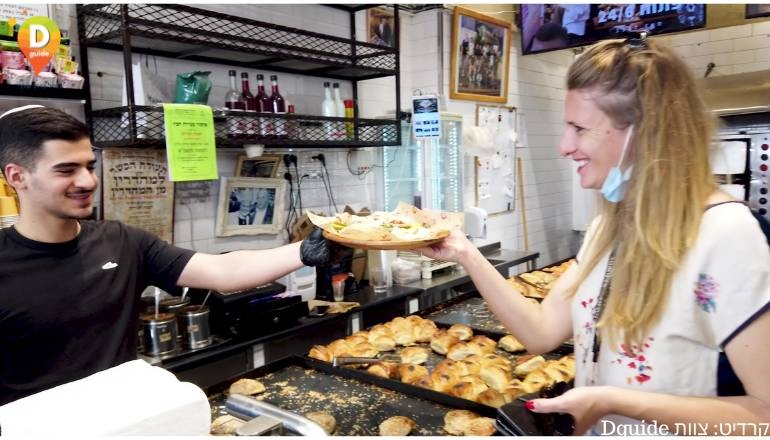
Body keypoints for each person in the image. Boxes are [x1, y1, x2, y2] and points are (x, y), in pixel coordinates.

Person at [419, 36, 770, 435]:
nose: (564, 146)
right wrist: (464, 251)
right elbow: (540, 331)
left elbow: (763, 415)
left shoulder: (726, 235)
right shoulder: (611, 226)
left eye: (579, 128)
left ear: (645, 133)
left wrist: (612, 400)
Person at [0, 105, 337, 405]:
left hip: (125, 423)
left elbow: (222, 271)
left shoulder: (122, 242)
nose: (88, 180)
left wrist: (305, 249)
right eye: (66, 170)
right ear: (17, 176)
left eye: (89, 166)